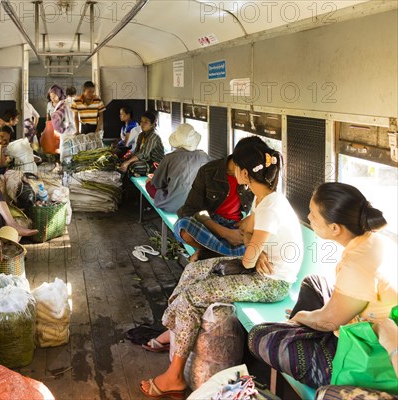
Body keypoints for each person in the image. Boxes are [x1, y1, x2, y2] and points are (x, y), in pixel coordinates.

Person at [140, 136, 303, 398]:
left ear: (244, 173)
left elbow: (248, 257)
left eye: (236, 167)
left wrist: (253, 251)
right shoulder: (264, 199)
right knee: (194, 270)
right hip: (255, 269)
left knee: (194, 296)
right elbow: (243, 228)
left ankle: (174, 376)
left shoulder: (270, 206)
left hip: (271, 283)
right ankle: (176, 327)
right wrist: (255, 246)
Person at [248, 182, 397, 388]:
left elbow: (331, 322)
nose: (308, 218)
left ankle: (313, 347)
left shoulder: (355, 264)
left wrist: (302, 317)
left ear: (335, 228)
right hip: (358, 320)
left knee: (260, 335)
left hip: (367, 351)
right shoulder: (371, 239)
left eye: (313, 215)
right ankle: (304, 331)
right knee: (314, 282)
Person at [173, 140, 255, 261]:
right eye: (246, 171)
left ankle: (207, 252)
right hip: (210, 223)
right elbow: (190, 209)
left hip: (235, 226)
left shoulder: (254, 176)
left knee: (263, 242)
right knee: (183, 227)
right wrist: (225, 233)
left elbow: (261, 208)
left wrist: (246, 222)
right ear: (237, 162)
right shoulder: (208, 171)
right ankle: (224, 252)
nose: (248, 176)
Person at [145, 124, 212, 213]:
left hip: (173, 205)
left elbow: (157, 183)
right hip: (199, 205)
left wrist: (150, 180)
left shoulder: (169, 158)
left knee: (148, 184)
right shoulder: (204, 156)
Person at [41, 85, 66, 155]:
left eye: (54, 97)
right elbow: (47, 114)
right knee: (49, 141)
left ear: (59, 95)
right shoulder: (49, 104)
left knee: (59, 142)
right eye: (51, 97)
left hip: (60, 124)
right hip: (51, 124)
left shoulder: (62, 103)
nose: (52, 99)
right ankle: (52, 155)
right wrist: (47, 122)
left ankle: (59, 155)